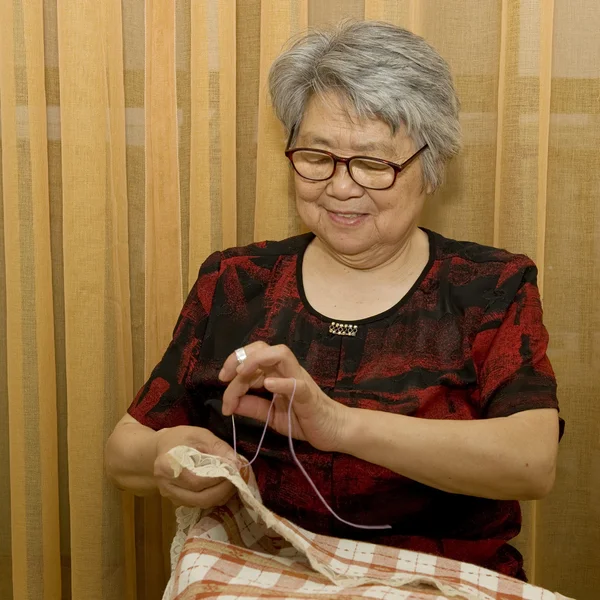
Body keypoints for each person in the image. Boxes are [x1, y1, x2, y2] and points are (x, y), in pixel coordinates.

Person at [105, 20, 562, 580]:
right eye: (316, 156)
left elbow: (531, 463)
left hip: (437, 581)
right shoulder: (238, 280)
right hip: (259, 576)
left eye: (374, 163)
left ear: (432, 167)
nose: (341, 187)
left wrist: (337, 425)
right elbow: (123, 451)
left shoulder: (488, 287)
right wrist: (170, 455)